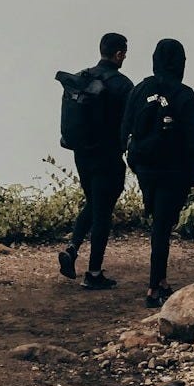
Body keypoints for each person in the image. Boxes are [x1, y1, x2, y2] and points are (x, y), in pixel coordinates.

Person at [122, 38, 194, 308]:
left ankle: (161, 281)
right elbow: (193, 141)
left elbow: (125, 129)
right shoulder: (185, 94)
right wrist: (192, 175)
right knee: (162, 227)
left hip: (145, 168)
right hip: (173, 170)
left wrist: (134, 161)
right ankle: (155, 287)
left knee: (159, 221)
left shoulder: (140, 89)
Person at [58, 32, 134, 290]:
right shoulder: (123, 85)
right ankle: (93, 273)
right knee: (102, 214)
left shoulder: (84, 77)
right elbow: (132, 121)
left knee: (94, 203)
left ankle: (71, 249)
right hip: (107, 155)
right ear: (119, 54)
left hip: (82, 154)